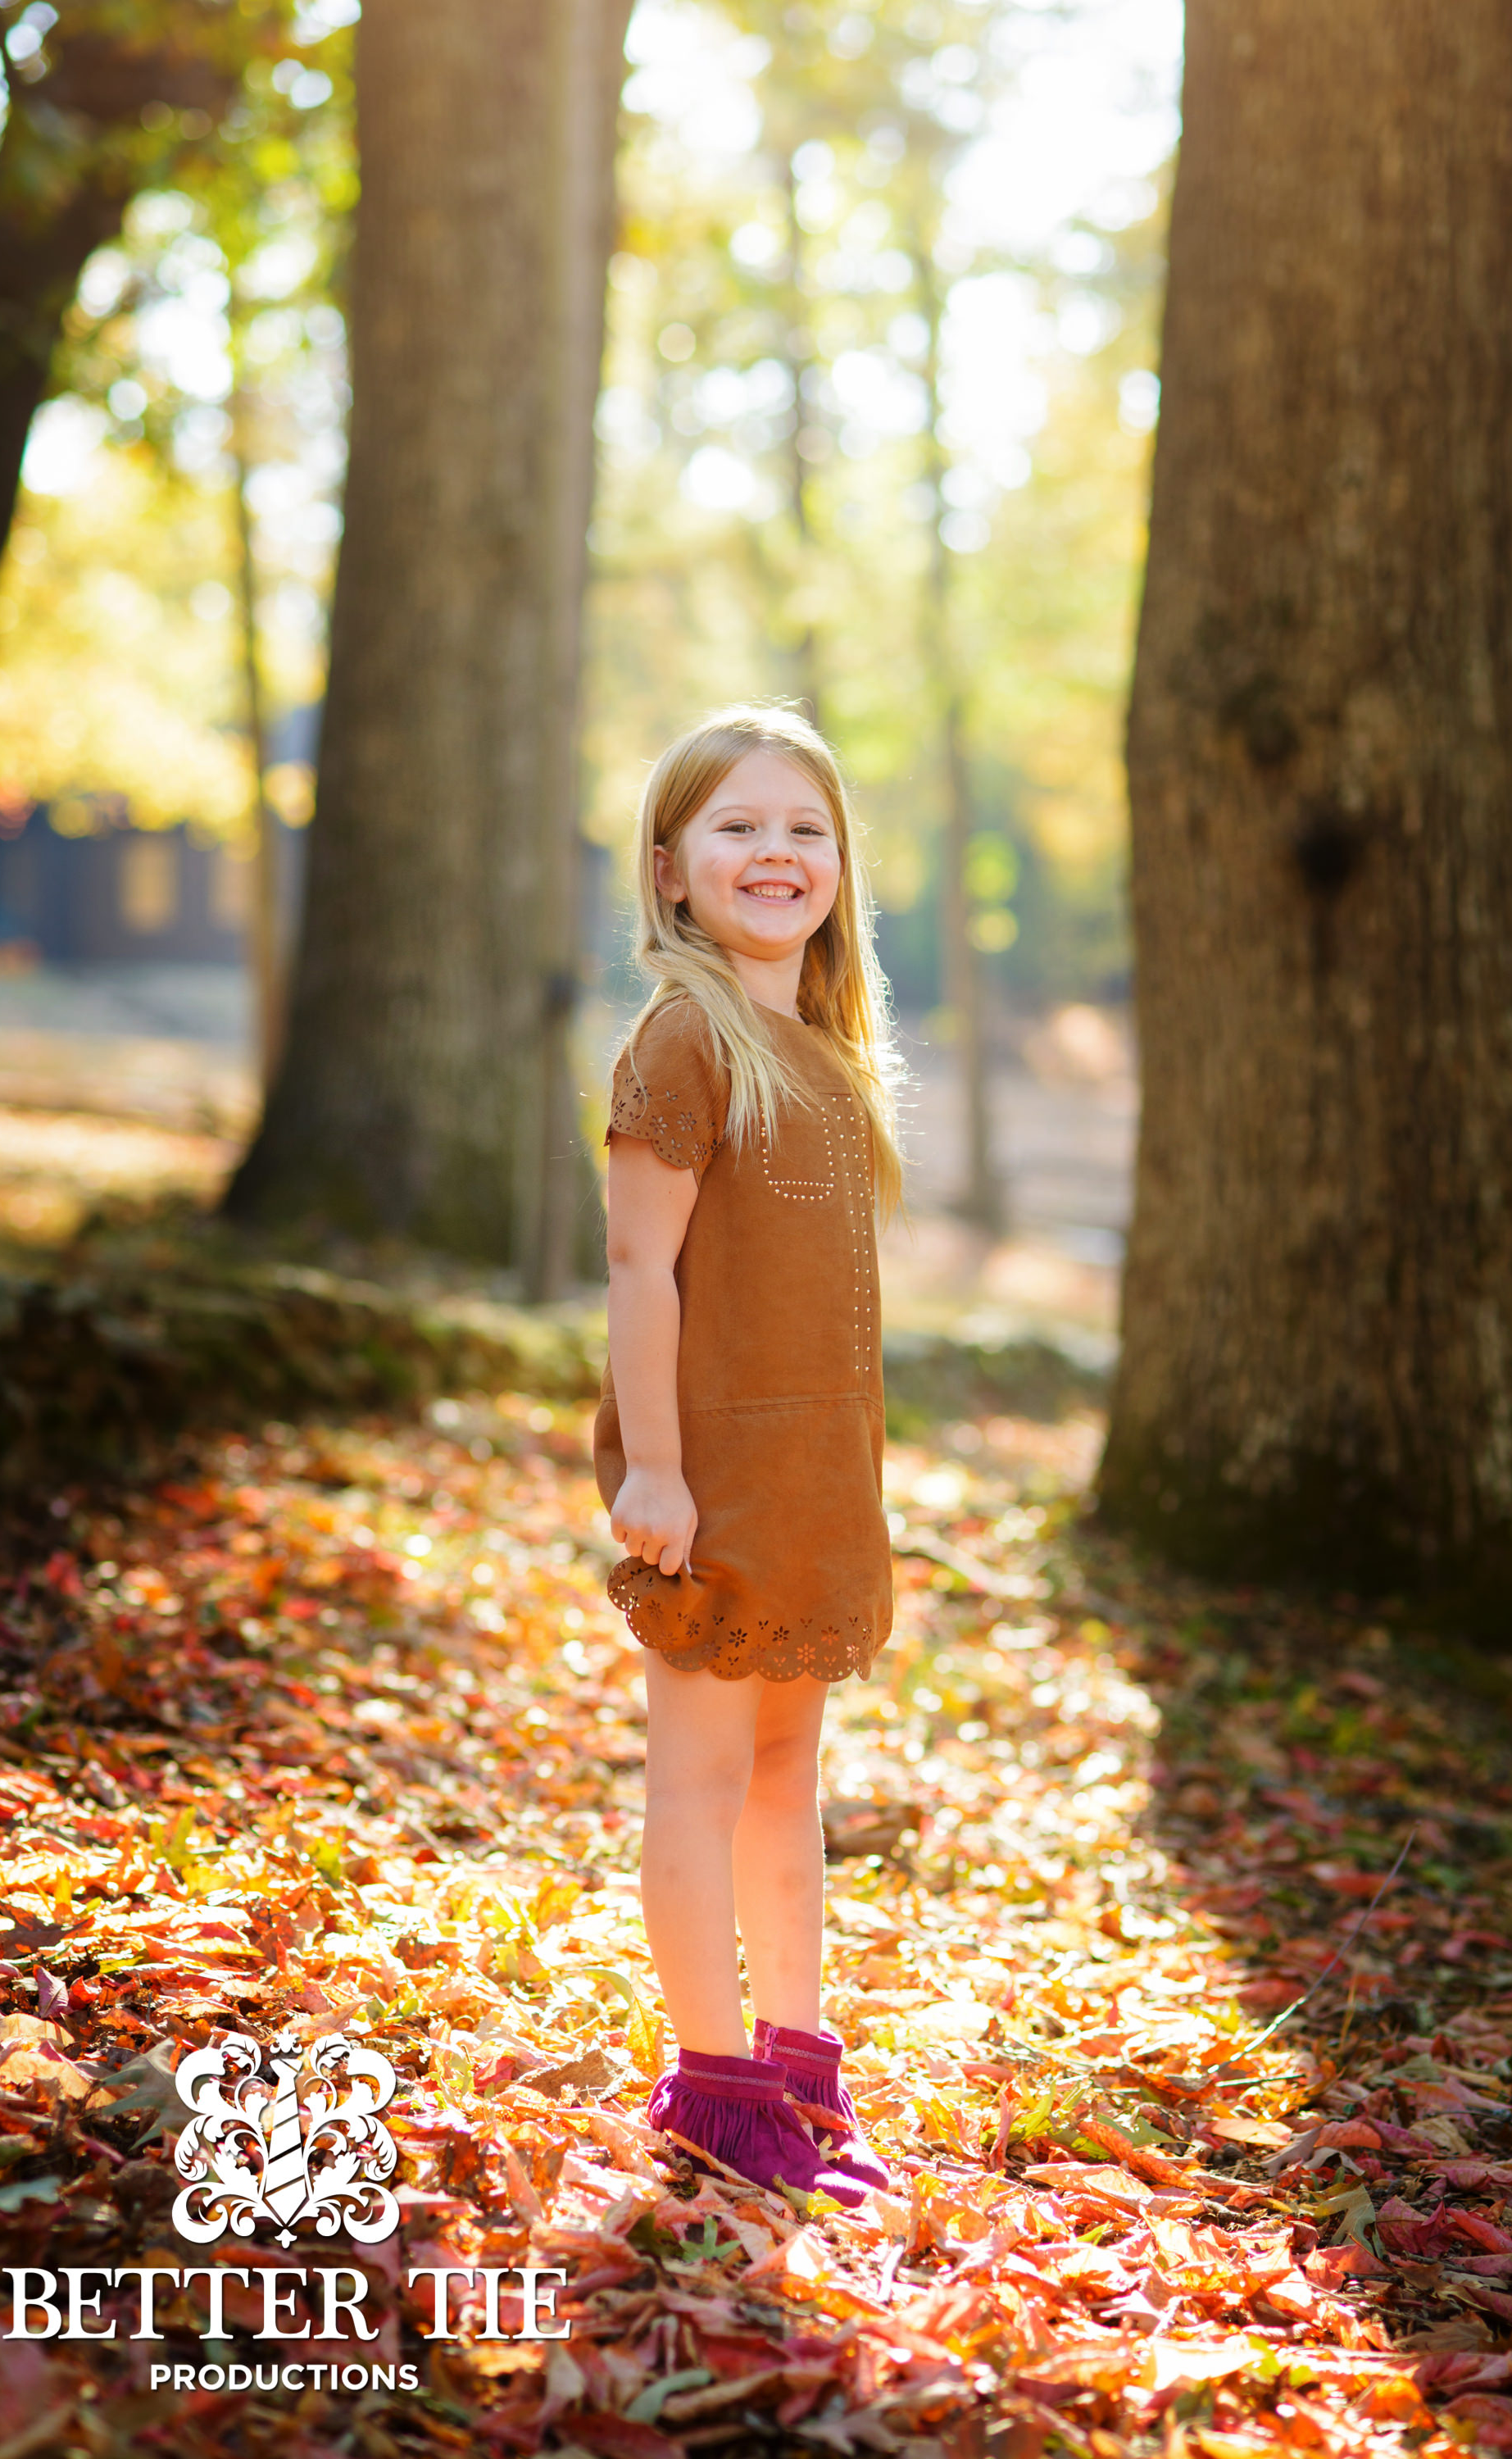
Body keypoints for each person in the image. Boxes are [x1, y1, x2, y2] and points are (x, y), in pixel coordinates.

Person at [594, 704, 903, 2204]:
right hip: (708, 1481)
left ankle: (795, 2059)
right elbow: (638, 1272)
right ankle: (713, 2093)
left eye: (803, 829)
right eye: (737, 827)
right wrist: (654, 1471)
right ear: (670, 871)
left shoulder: (826, 1056)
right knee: (701, 1781)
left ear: (841, 865)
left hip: (814, 1485)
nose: (774, 853)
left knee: (790, 1780)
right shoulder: (683, 1039)